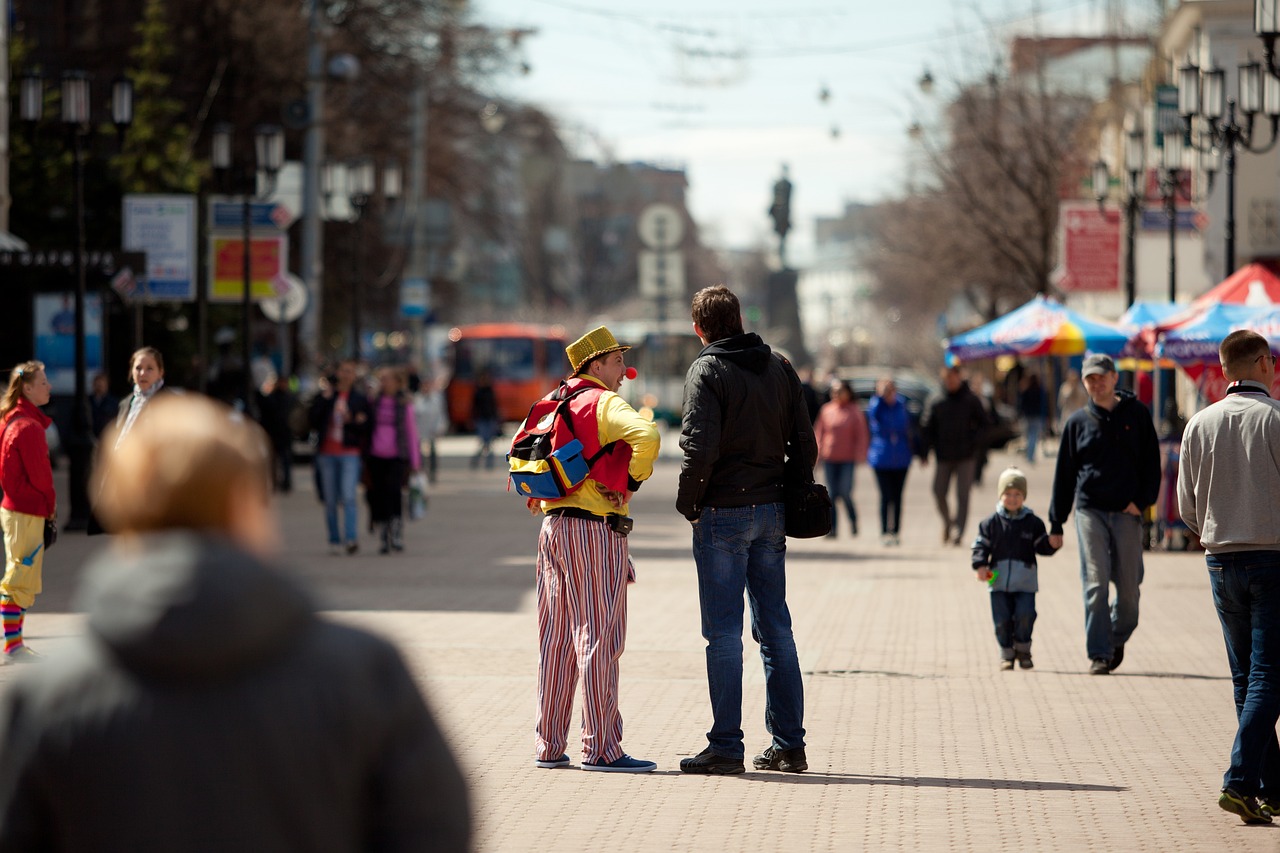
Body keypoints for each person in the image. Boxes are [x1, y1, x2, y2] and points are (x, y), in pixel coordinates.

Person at [0, 395, 470, 850]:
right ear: (246, 504)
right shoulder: (364, 673)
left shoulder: (44, 699)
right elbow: (434, 828)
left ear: (122, 508)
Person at [676, 285, 817, 776]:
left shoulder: (707, 370)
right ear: (737, 318)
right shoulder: (779, 366)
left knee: (723, 634)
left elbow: (700, 447)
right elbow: (804, 440)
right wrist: (795, 494)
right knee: (776, 628)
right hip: (770, 510)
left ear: (700, 329)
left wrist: (689, 504)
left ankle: (726, 745)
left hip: (722, 513)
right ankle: (789, 744)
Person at [525, 326, 660, 773]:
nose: (624, 371)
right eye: (618, 362)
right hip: (594, 531)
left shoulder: (557, 400)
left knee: (555, 639)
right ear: (596, 365)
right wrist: (631, 482)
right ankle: (602, 747)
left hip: (552, 528)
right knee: (601, 635)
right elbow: (649, 436)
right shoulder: (603, 401)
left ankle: (550, 744)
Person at [1177, 330, 1280, 825]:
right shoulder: (1276, 421)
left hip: (1220, 558)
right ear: (1264, 364)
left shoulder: (1198, 424)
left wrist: (1216, 531)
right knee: (1269, 676)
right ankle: (1240, 781)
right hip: (1272, 558)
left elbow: (1185, 506)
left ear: (1223, 371)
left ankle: (1273, 787)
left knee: (1248, 678)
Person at [1048, 353, 1161, 675]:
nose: (1096, 384)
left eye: (1101, 377)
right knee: (1096, 582)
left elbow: (1152, 465)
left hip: (1127, 511)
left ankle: (1114, 636)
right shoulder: (1077, 423)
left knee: (1129, 591)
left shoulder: (1137, 414)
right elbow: (1064, 475)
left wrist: (1141, 501)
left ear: (1114, 378)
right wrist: (1056, 521)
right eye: (1090, 379)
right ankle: (1099, 653)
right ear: (1083, 383)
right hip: (1090, 511)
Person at [971, 468, 1058, 670]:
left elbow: (1041, 546)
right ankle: (1006, 653)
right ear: (1000, 495)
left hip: (1025, 581)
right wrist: (980, 565)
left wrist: (1051, 544)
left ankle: (1023, 649)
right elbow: (980, 546)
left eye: (1017, 494)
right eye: (1008, 494)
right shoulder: (990, 524)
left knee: (1025, 615)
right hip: (998, 581)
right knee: (1001, 620)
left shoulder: (1033, 523)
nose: (1012, 498)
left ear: (1024, 497)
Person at [0, 362, 55, 662]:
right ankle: (14, 646)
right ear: (28, 388)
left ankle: (15, 644)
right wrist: (50, 508)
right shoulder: (28, 427)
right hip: (26, 511)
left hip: (15, 509)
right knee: (19, 578)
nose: (49, 386)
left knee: (21, 575)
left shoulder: (13, 418)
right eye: (44, 382)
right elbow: (42, 479)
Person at [919, 366, 988, 545]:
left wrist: (974, 442)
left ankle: (959, 530)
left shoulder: (970, 399)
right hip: (943, 455)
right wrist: (924, 452)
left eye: (954, 378)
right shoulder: (936, 400)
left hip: (966, 455)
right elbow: (927, 427)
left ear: (959, 378)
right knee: (938, 491)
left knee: (963, 495)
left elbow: (985, 424)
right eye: (948, 378)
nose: (951, 381)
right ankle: (948, 522)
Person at [309, 360, 371, 556]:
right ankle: (334, 539)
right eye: (343, 371)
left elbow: (367, 426)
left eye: (350, 372)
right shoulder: (326, 396)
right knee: (330, 499)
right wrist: (325, 399)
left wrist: (352, 421)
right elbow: (312, 420)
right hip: (327, 453)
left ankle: (351, 538)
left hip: (349, 453)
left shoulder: (359, 399)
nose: (346, 375)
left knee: (349, 496)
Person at [365, 366, 420, 555]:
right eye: (382, 380)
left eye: (387, 379)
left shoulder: (404, 404)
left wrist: (415, 462)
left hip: (397, 456)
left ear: (397, 383)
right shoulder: (374, 402)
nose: (384, 383)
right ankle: (383, 533)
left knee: (394, 493)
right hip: (375, 455)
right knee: (378, 495)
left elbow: (412, 434)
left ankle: (396, 531)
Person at [812, 378, 868, 537]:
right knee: (831, 494)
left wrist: (861, 453)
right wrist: (816, 454)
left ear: (848, 393)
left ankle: (853, 519)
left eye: (839, 391)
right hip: (830, 457)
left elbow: (861, 434)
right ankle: (833, 528)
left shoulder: (854, 411)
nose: (835, 394)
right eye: (833, 391)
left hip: (847, 459)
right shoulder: (826, 410)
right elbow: (819, 433)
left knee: (844, 492)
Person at [868, 376, 912, 546]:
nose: (888, 393)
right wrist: (880, 397)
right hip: (881, 457)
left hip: (901, 457)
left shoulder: (901, 404)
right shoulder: (876, 404)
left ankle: (896, 531)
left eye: (890, 389)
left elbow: (905, 424)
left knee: (898, 496)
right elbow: (874, 418)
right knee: (886, 496)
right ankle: (885, 530)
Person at [255, 372, 296, 493]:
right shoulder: (273, 398)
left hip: (284, 434)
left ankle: (286, 482)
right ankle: (275, 481)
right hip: (275, 433)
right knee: (274, 460)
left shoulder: (290, 398)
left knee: (285, 459)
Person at [470, 368, 499, 470]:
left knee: (489, 443)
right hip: (481, 419)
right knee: (484, 442)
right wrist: (472, 419)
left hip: (490, 419)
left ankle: (487, 464)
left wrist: (497, 418)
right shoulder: (478, 392)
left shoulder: (490, 391)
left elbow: (494, 406)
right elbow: (474, 407)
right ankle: (476, 461)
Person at [1019, 372, 1045, 464]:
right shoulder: (1040, 391)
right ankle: (1030, 455)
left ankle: (1029, 455)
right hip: (1036, 415)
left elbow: (1022, 404)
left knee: (1029, 436)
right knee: (1033, 436)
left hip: (1028, 416)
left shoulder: (1027, 391)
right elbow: (1044, 405)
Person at [87, 373, 118, 441]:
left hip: (107, 438)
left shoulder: (113, 403)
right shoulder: (87, 402)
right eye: (97, 385)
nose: (99, 387)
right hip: (90, 438)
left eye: (101, 385)